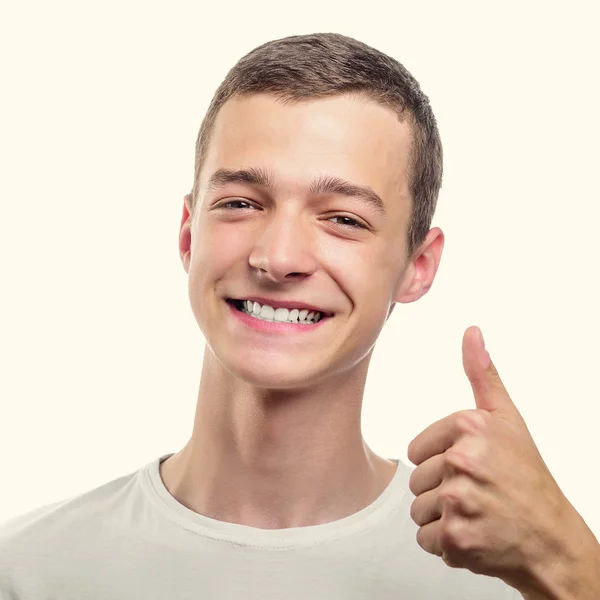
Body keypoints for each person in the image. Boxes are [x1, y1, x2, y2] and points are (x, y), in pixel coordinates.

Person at [0, 32, 551, 599]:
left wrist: (563, 568)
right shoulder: (26, 572)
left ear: (418, 266)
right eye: (240, 203)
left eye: (343, 219)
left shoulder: (511, 578)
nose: (277, 258)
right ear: (189, 234)